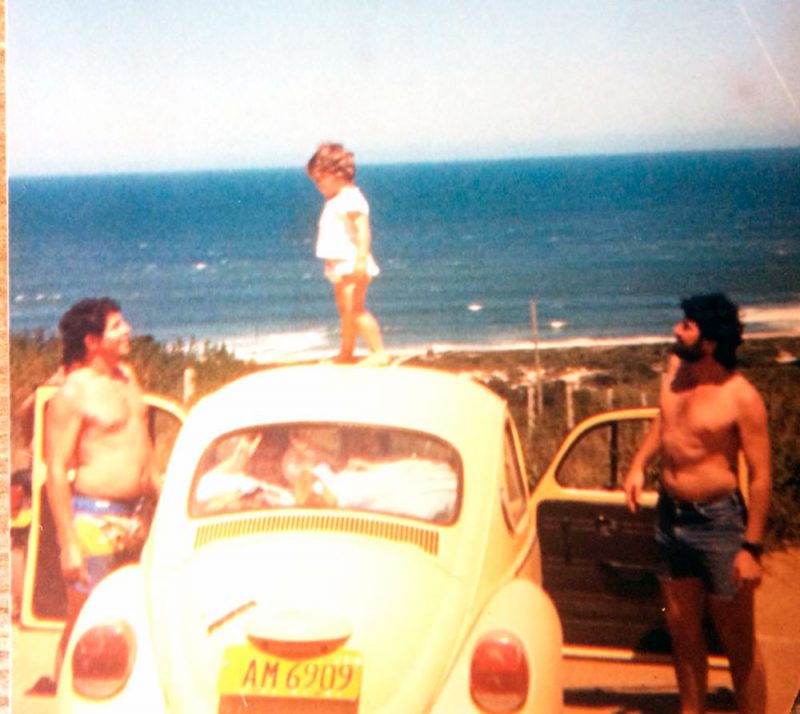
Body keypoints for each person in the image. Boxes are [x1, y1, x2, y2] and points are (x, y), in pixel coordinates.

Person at [623, 294, 770, 714]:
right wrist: (638, 464)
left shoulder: (742, 397)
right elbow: (665, 420)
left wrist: (751, 548)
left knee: (738, 642)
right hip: (670, 518)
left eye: (687, 325)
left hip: (719, 525)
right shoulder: (674, 370)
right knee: (682, 631)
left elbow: (761, 477)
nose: (676, 329)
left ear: (709, 342)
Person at [44, 298, 156, 680]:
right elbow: (56, 470)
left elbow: (145, 449)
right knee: (83, 620)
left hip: (138, 514)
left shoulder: (128, 378)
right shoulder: (73, 394)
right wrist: (68, 543)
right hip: (94, 518)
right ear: (92, 341)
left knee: (133, 616)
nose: (127, 330)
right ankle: (64, 693)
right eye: (116, 326)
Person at [307, 142, 389, 365]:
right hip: (339, 266)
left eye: (319, 180)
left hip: (352, 263)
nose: (318, 186)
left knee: (356, 310)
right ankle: (346, 352)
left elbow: (363, 230)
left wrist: (360, 261)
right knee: (346, 311)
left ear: (335, 173)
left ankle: (379, 352)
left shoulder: (350, 199)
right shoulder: (336, 200)